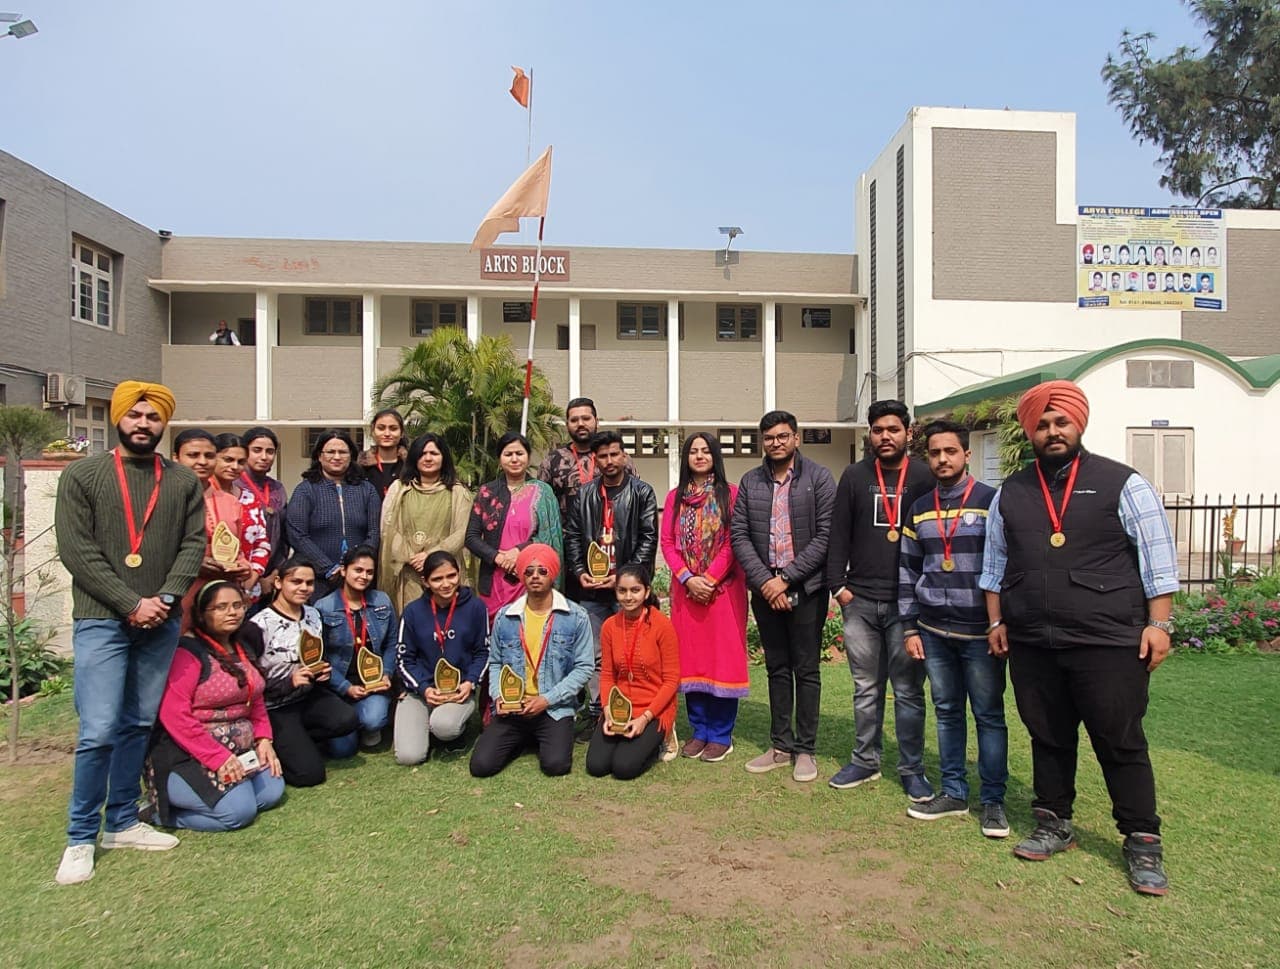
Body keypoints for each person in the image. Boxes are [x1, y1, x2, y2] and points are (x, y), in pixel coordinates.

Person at [980, 380, 1178, 896]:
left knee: (1120, 738)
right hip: (1032, 640)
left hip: (1108, 640)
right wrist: (997, 622)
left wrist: (1159, 625)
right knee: (1047, 735)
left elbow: (1157, 557)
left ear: (1078, 424)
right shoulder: (1011, 492)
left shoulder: (1122, 483)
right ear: (1031, 432)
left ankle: (1142, 840)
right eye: (1042, 424)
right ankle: (1053, 822)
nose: (1052, 432)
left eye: (1060, 422)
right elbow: (994, 565)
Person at [53, 380, 205, 886]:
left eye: (153, 417)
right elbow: (77, 551)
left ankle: (121, 822)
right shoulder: (83, 475)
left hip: (160, 619)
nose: (144, 423)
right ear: (118, 417)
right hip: (102, 619)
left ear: (164, 423)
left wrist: (165, 599)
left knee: (138, 724)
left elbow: (193, 544)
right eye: (135, 415)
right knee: (98, 729)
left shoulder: (182, 481)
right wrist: (130, 603)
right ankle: (80, 836)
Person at [897, 420, 1008, 838]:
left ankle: (993, 801)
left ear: (967, 454)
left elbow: (1004, 565)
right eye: (935, 453)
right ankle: (955, 792)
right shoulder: (919, 507)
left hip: (981, 633)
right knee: (946, 712)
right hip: (933, 630)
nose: (942, 459)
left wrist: (1000, 622)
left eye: (950, 451)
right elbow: (907, 570)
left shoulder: (991, 502)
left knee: (989, 715)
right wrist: (910, 627)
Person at [826, 399, 935, 798]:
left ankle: (911, 769)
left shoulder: (925, 476)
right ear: (869, 434)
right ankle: (865, 760)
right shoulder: (855, 475)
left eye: (893, 429)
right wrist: (838, 588)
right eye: (877, 430)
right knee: (865, 688)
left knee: (908, 691)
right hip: (860, 602)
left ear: (908, 432)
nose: (885, 436)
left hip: (908, 606)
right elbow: (838, 533)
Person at [730, 410, 835, 784]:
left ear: (796, 438)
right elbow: (739, 534)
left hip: (806, 588)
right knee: (776, 667)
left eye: (782, 436)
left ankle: (805, 749)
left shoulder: (819, 478)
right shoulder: (751, 481)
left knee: (806, 669)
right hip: (765, 590)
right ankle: (780, 746)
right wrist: (766, 582)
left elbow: (826, 535)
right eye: (770, 437)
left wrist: (787, 578)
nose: (776, 442)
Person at [146, 581, 284, 831]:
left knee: (271, 793)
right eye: (221, 607)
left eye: (237, 605)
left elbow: (256, 698)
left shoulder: (242, 646)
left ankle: (233, 794)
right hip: (190, 755)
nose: (232, 613)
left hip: (240, 750)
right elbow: (174, 714)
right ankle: (162, 815)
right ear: (201, 614)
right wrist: (218, 758)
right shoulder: (187, 652)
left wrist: (264, 738)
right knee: (239, 813)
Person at [563, 430, 659, 740]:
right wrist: (579, 571)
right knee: (594, 655)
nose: (609, 461)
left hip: (627, 591)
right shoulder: (584, 495)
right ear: (595, 459)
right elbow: (572, 537)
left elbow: (648, 539)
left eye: (614, 454)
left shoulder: (642, 492)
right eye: (602, 456)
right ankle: (598, 712)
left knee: (633, 653)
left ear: (624, 455)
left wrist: (622, 577)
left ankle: (637, 710)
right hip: (591, 590)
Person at [469, 544, 594, 778]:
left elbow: (584, 667)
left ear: (553, 574)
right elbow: (495, 663)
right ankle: (522, 738)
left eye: (542, 571)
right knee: (481, 766)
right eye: (529, 571)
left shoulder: (576, 616)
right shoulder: (505, 617)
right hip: (513, 707)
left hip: (553, 707)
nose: (535, 576)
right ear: (521, 575)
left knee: (556, 765)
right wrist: (499, 696)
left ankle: (539, 737)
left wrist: (546, 700)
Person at [660, 432, 748, 762]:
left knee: (722, 660)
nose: (699, 456)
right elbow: (667, 543)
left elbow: (733, 541)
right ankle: (699, 731)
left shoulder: (731, 494)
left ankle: (721, 735)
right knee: (691, 660)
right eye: (693, 451)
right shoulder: (675, 498)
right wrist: (688, 578)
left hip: (722, 592)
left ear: (715, 456)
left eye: (705, 451)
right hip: (686, 594)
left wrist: (708, 580)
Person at [249, 557, 359, 786]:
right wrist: (289, 681)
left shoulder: (313, 614)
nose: (304, 588)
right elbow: (250, 682)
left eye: (309, 583)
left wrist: (323, 672)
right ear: (278, 582)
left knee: (347, 719)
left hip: (308, 696)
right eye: (296, 582)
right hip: (276, 706)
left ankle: (300, 741)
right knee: (309, 775)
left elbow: (318, 655)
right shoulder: (257, 625)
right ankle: (283, 744)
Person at [586, 565, 680, 780]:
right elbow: (607, 675)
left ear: (646, 592)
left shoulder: (662, 625)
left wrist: (645, 719)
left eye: (635, 590)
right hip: (620, 706)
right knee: (597, 766)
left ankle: (663, 736)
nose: (628, 597)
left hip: (653, 708)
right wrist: (608, 711)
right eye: (622, 591)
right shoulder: (610, 626)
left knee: (624, 767)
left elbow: (671, 680)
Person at [394, 551, 489, 764]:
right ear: (425, 581)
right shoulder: (412, 612)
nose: (446, 584)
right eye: (437, 579)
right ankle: (423, 724)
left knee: (445, 727)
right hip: (421, 691)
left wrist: (470, 682)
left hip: (458, 691)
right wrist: (424, 688)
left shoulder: (476, 607)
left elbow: (483, 652)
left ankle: (447, 727)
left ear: (459, 574)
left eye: (451, 576)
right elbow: (403, 659)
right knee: (409, 757)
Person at [537, 396, 635, 602]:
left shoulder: (618, 458)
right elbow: (542, 509)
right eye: (574, 420)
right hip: (570, 552)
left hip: (615, 548)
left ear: (596, 421)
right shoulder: (553, 461)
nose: (580, 424)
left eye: (586, 418)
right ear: (567, 425)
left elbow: (634, 503)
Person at [466, 430, 562, 620]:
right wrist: (498, 558)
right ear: (500, 459)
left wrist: (519, 551)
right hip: (493, 578)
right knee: (496, 631)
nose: (514, 459)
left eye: (519, 453)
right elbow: (471, 537)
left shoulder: (542, 492)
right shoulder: (487, 493)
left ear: (528, 457)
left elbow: (551, 538)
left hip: (531, 577)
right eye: (508, 454)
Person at [172, 429, 258, 630]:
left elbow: (237, 550)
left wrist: (243, 567)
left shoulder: (230, 502)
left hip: (222, 598)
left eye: (209, 456)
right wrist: (194, 563)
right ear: (176, 458)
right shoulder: (163, 498)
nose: (202, 462)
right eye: (193, 455)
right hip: (179, 592)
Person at [379, 432, 472, 613]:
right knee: (412, 620)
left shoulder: (457, 492)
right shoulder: (399, 489)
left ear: (443, 458)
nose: (428, 458)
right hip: (407, 571)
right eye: (422, 454)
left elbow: (462, 532)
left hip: (444, 572)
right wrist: (411, 558)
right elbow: (388, 528)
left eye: (434, 453)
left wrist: (430, 557)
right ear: (414, 457)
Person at [316, 546, 395, 755]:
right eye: (358, 570)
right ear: (343, 570)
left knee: (373, 719)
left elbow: (392, 643)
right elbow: (319, 657)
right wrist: (345, 687)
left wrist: (387, 673)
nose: (364, 576)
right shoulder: (323, 607)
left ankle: (365, 723)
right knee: (342, 750)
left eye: (369, 572)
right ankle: (347, 722)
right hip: (339, 686)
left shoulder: (382, 601)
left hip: (374, 682)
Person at [286, 430, 382, 601]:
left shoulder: (366, 490)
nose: (337, 457)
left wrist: (358, 566)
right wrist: (329, 568)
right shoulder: (306, 490)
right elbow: (297, 535)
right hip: (318, 580)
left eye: (343, 452)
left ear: (351, 456)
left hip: (359, 579)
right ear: (319, 456)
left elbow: (374, 531)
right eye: (330, 452)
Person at [212, 433, 271, 593]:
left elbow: (262, 543)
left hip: (247, 587)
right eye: (228, 460)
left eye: (241, 462)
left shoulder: (249, 498)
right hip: (208, 584)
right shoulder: (202, 496)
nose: (235, 466)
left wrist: (251, 578)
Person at [239, 426, 289, 602]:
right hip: (242, 577)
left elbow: (285, 535)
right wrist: (256, 577)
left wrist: (274, 574)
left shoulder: (277, 488)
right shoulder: (234, 486)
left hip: (272, 577)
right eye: (257, 450)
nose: (264, 456)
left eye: (270, 451)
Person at [359, 408, 407, 497]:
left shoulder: (410, 465)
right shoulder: (361, 466)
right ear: (373, 431)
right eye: (381, 428)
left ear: (402, 433)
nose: (387, 434)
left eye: (393, 429)